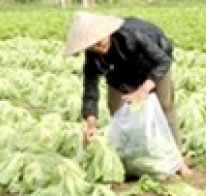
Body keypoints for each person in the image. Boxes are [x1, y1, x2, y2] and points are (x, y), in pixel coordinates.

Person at [61, 11, 188, 174]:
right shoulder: (93, 55)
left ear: (107, 32)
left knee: (165, 107)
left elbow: (163, 61)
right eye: (92, 46)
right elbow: (90, 88)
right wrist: (91, 123)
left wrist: (143, 90)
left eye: (100, 41)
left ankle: (178, 161)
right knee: (119, 111)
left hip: (153, 67)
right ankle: (130, 157)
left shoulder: (133, 35)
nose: (98, 48)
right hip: (121, 75)